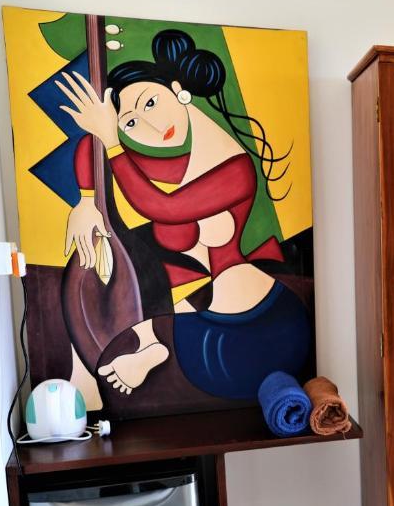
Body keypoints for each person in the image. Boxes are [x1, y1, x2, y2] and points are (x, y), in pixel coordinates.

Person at [58, 29, 310, 401]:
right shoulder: (176, 163)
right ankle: (120, 358)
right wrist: (85, 201)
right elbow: (90, 148)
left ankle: (148, 346)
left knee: (159, 240)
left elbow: (164, 207)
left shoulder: (235, 169)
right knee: (107, 248)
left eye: (150, 103)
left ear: (177, 89)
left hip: (259, 334)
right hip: (200, 336)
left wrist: (112, 140)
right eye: (130, 124)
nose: (151, 126)